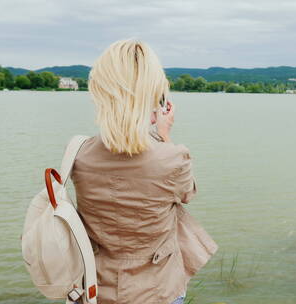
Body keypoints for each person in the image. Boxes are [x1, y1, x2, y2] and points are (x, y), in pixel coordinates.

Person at [71, 39, 218, 304]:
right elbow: (186, 193)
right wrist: (164, 135)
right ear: (155, 95)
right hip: (158, 291)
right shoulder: (172, 157)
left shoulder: (79, 153)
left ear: (99, 91)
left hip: (93, 288)